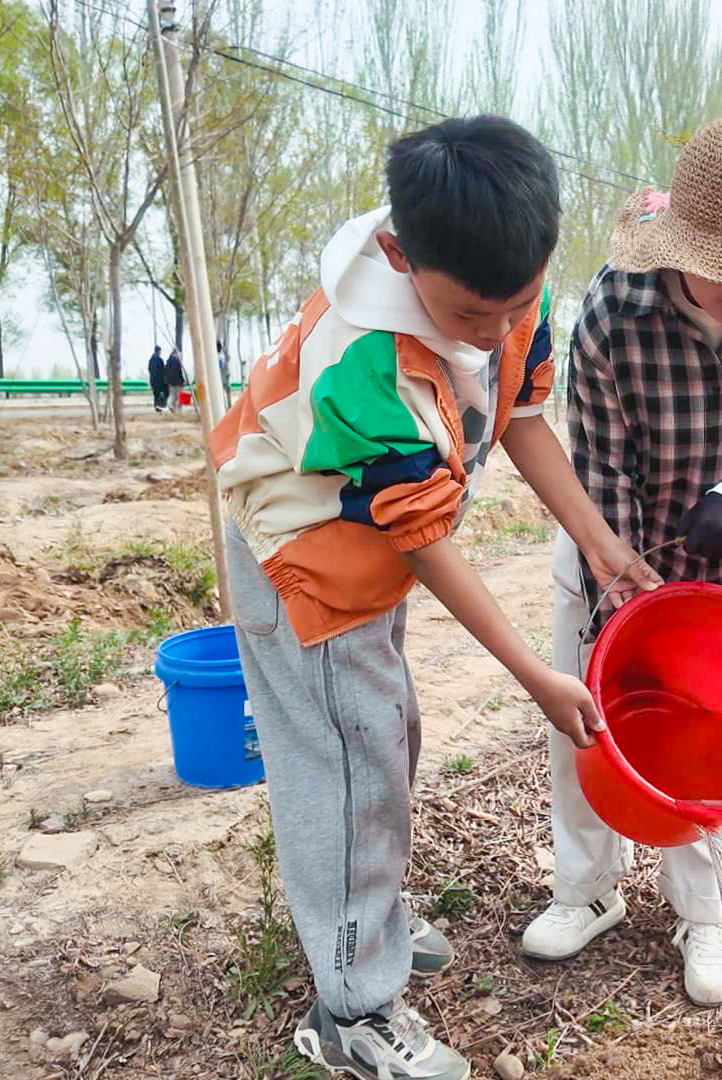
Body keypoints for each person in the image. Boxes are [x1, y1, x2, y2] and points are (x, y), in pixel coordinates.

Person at [208, 115, 659, 1080]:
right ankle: (352, 1008)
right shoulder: (363, 360)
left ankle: (368, 922)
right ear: (398, 253)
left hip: (376, 537)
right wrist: (537, 675)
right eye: (470, 319)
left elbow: (522, 413)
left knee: (390, 729)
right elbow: (420, 539)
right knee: (347, 759)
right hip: (312, 554)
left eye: (519, 306)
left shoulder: (499, 284)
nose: (498, 333)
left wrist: (598, 538)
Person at [523, 113, 722, 1007]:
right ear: (680, 244)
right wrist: (624, 586)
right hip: (614, 547)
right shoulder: (610, 318)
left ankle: (704, 912)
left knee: (709, 735)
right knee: (594, 718)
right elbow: (598, 472)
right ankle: (585, 890)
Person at [165, 343, 188, 411]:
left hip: (170, 382)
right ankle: (178, 408)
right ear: (175, 353)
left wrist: (167, 381)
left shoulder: (168, 361)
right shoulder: (177, 361)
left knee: (172, 395)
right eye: (178, 354)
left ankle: (171, 406)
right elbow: (179, 373)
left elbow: (166, 372)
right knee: (179, 395)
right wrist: (183, 381)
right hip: (178, 382)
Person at [148, 345, 169, 412]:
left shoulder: (150, 360)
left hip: (153, 380)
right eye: (160, 351)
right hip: (160, 381)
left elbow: (149, 369)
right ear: (159, 351)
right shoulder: (160, 360)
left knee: (156, 394)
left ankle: (157, 407)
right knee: (163, 393)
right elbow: (163, 371)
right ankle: (161, 406)